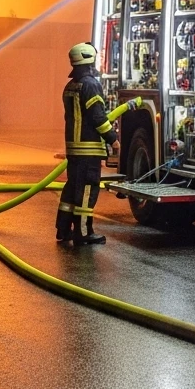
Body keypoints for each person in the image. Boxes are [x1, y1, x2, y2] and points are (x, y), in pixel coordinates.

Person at [57, 42, 122, 246]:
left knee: (71, 189)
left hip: (74, 150)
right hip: (88, 149)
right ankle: (84, 232)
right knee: (86, 190)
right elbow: (98, 117)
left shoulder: (70, 86)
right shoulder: (91, 85)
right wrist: (113, 139)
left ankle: (63, 229)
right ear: (89, 61)